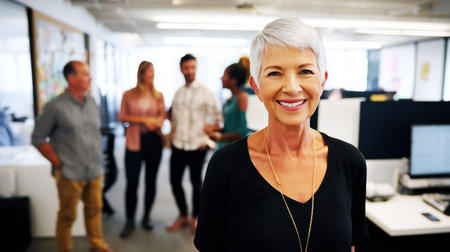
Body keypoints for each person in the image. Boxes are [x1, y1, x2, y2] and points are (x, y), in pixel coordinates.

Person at [194, 17, 368, 252]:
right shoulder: (226, 167)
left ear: (323, 80)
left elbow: (354, 245)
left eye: (305, 71)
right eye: (275, 73)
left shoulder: (350, 162)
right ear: (256, 87)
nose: (292, 87)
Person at [31, 61, 114, 252]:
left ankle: (98, 246)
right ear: (71, 78)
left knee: (94, 211)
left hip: (94, 170)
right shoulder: (55, 106)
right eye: (85, 74)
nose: (89, 78)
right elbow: (37, 138)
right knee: (67, 217)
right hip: (69, 173)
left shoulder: (92, 101)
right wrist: (59, 162)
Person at [167, 53, 223, 234]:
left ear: (196, 68)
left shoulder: (207, 93)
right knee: (174, 181)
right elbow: (173, 119)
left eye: (192, 67)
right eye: (186, 68)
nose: (189, 71)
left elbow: (218, 121)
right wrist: (171, 133)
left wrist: (208, 136)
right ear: (181, 69)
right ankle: (183, 214)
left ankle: (197, 217)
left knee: (196, 183)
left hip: (197, 145)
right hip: (178, 144)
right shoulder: (178, 93)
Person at [117, 61, 165, 238]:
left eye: (154, 71)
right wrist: (144, 120)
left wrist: (157, 122)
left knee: (150, 180)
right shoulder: (128, 94)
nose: (152, 74)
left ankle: (146, 217)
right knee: (132, 183)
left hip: (153, 141)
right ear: (141, 73)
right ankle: (130, 220)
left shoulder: (158, 95)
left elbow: (162, 116)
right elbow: (122, 116)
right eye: (149, 71)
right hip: (134, 141)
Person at [208, 63, 249, 150]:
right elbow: (228, 127)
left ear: (233, 80)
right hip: (224, 146)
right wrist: (215, 130)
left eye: (224, 75)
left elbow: (242, 131)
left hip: (234, 148)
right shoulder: (230, 98)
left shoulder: (242, 96)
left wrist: (221, 137)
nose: (221, 78)